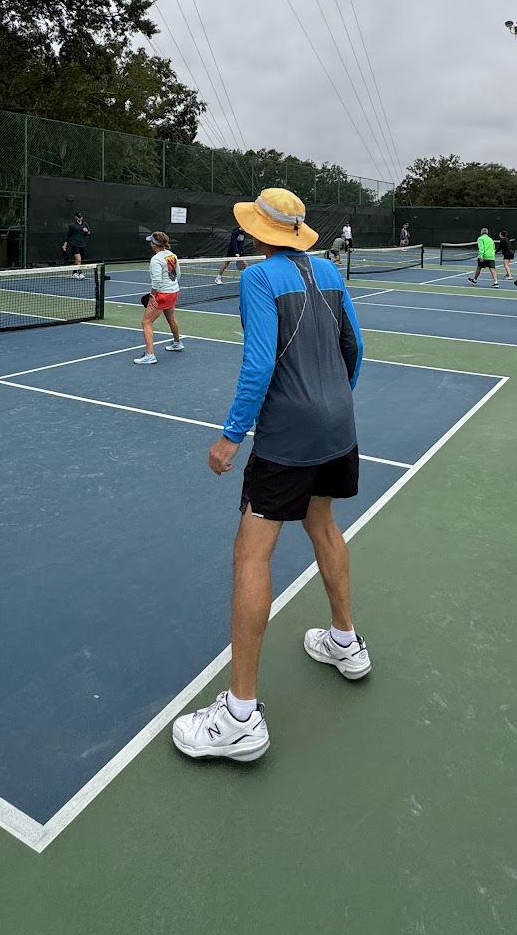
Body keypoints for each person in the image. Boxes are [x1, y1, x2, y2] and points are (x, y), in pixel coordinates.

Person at [173, 188, 368, 764]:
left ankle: (238, 717)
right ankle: (344, 642)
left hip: (287, 438)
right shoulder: (330, 270)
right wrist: (334, 399)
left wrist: (232, 435)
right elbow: (353, 345)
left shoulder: (259, 279)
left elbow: (259, 362)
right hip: (339, 427)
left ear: (262, 232)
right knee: (323, 522)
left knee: (250, 554)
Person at [133, 232, 185, 364]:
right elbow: (177, 274)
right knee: (171, 318)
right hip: (174, 291)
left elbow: (156, 281)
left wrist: (152, 296)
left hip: (163, 294)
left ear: (154, 244)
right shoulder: (172, 256)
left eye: (151, 241)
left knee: (146, 322)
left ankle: (150, 355)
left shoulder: (156, 259)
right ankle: (177, 343)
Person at [62, 210, 90, 278]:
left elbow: (89, 233)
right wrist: (65, 244)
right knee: (79, 259)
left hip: (82, 244)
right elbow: (68, 235)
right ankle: (80, 273)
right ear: (76, 217)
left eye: (81, 217)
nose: (80, 218)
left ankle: (74, 273)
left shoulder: (85, 224)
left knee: (77, 260)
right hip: (74, 244)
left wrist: (87, 231)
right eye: (78, 217)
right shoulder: (72, 225)